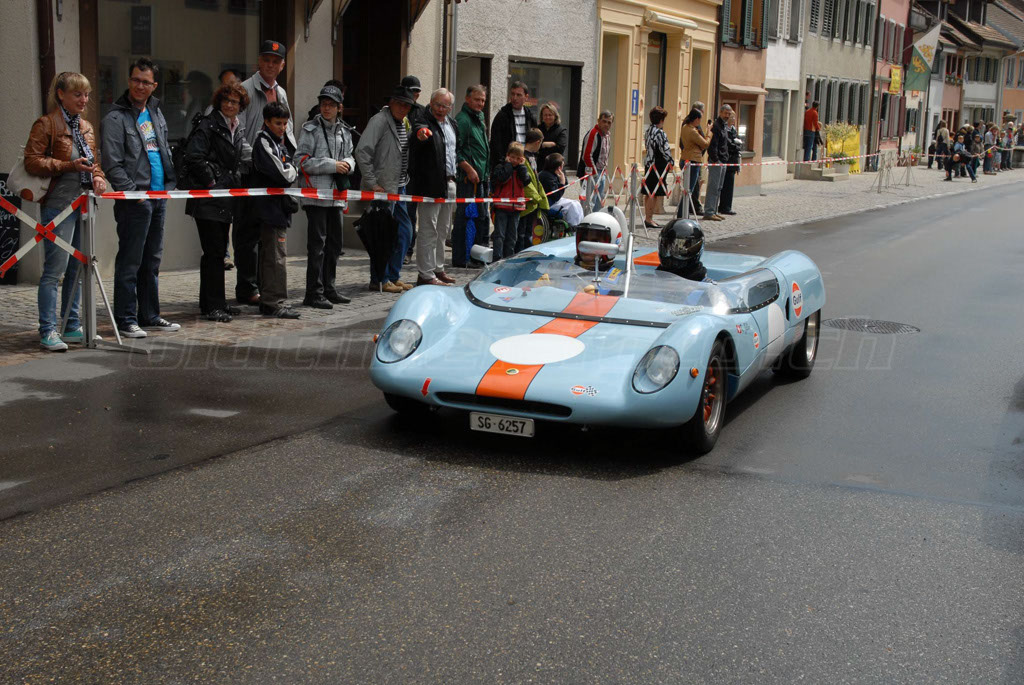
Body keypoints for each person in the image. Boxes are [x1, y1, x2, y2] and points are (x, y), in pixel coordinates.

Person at [23, 71, 107, 351]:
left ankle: (71, 326)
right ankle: (47, 330)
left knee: (79, 267)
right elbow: (32, 161)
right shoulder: (46, 124)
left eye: (87, 94)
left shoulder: (86, 126)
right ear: (61, 95)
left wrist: (99, 177)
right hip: (58, 205)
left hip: (84, 204)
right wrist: (68, 166)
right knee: (54, 270)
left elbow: (94, 163)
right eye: (77, 94)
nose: (84, 100)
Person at [101, 57, 179, 339]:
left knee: (152, 261)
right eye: (136, 80)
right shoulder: (115, 118)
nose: (140, 86)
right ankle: (126, 319)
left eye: (146, 82)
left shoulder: (156, 113)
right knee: (130, 261)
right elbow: (112, 164)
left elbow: (163, 150)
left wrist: (168, 184)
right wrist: (134, 195)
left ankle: (150, 315)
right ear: (128, 80)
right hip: (135, 199)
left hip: (158, 197)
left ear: (154, 85)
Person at [182, 82, 251, 322]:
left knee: (219, 251)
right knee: (213, 252)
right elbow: (194, 157)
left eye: (235, 102)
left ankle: (216, 303)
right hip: (208, 199)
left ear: (241, 106)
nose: (230, 105)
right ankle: (212, 306)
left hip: (225, 198)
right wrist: (213, 182)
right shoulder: (208, 124)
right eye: (227, 100)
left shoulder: (236, 127)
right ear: (219, 101)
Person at [236, 40, 294, 307]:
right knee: (247, 236)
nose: (271, 65)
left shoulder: (280, 92)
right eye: (266, 60)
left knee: (268, 237)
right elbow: (239, 133)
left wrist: (289, 161)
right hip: (250, 172)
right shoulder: (246, 89)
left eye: (276, 61)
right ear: (259, 61)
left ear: (282, 65)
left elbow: (288, 131)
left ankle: (264, 288)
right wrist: (258, 159)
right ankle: (247, 287)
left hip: (272, 174)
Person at [296, 84, 356, 308]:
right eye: (323, 104)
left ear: (339, 107)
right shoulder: (310, 129)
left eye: (331, 104)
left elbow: (351, 157)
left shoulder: (345, 131)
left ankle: (329, 288)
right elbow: (301, 161)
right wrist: (332, 165)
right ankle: (313, 292)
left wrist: (347, 165)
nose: (326, 108)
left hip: (337, 196)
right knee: (317, 246)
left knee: (335, 245)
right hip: (316, 196)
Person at [355, 85, 416, 293]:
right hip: (383, 188)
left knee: (405, 232)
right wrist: (372, 183)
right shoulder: (379, 121)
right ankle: (379, 279)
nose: (403, 108)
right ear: (391, 102)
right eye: (400, 104)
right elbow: (362, 152)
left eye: (407, 105)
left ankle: (393, 275)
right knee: (382, 235)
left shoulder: (404, 123)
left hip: (400, 186)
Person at [250, 101, 299, 317]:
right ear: (267, 122)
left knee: (275, 256)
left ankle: (271, 300)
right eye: (278, 123)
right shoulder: (264, 142)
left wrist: (291, 168)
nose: (282, 128)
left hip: (278, 209)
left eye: (285, 123)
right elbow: (283, 174)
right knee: (275, 258)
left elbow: (290, 166)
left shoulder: (278, 143)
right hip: (269, 210)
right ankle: (274, 302)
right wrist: (292, 169)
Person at [409, 88, 459, 287]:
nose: (440, 109)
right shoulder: (423, 120)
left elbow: (455, 151)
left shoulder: (452, 124)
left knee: (443, 230)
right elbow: (418, 134)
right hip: (429, 184)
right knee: (428, 230)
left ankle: (438, 268)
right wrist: (421, 135)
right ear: (430, 103)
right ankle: (425, 273)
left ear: (450, 108)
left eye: (445, 106)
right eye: (437, 105)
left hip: (450, 182)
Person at [453, 84, 490, 269]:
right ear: (467, 99)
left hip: (481, 178)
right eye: (477, 99)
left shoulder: (479, 118)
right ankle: (462, 258)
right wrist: (468, 169)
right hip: (468, 180)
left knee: (481, 219)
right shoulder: (463, 120)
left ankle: (477, 257)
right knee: (464, 219)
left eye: (483, 100)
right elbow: (455, 150)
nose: (480, 103)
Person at [490, 142, 530, 259]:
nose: (514, 161)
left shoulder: (522, 170)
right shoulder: (500, 167)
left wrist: (522, 167)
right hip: (501, 207)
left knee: (512, 236)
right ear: (508, 156)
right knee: (499, 235)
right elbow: (501, 179)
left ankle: (508, 258)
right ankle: (497, 258)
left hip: (516, 207)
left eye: (518, 158)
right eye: (512, 157)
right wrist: (508, 165)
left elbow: (526, 181)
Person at [490, 81, 537, 172]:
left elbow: (534, 141)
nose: (515, 98)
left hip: (525, 163)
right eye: (512, 94)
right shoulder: (502, 116)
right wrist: (503, 163)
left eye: (518, 95)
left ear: (526, 97)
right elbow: (496, 143)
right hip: (507, 164)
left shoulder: (530, 116)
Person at [517, 129, 550, 251]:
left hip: (532, 201)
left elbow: (535, 178)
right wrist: (537, 197)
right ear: (538, 142)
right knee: (523, 233)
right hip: (527, 201)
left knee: (528, 232)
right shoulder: (524, 157)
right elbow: (527, 182)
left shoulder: (532, 156)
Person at [642, 106, 672, 228]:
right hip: (658, 165)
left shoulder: (648, 131)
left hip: (649, 163)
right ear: (661, 120)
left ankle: (647, 217)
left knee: (648, 192)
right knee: (653, 193)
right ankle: (649, 219)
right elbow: (665, 150)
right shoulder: (660, 133)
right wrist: (671, 161)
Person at [578, 110, 614, 213]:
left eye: (609, 122)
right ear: (598, 121)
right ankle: (586, 221)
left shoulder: (607, 135)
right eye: (604, 121)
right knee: (589, 202)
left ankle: (596, 220)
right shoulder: (593, 133)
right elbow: (586, 156)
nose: (606, 124)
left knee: (599, 202)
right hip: (591, 173)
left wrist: (604, 171)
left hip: (602, 172)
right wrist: (594, 174)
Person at [677, 108, 710, 218]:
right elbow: (705, 144)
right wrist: (709, 133)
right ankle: (682, 214)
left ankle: (683, 213)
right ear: (696, 119)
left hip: (685, 158)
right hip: (693, 160)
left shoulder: (685, 127)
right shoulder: (692, 131)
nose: (700, 122)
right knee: (689, 189)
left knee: (687, 188)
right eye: (700, 120)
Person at [702, 104, 732, 222]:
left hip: (723, 160)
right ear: (720, 112)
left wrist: (725, 157)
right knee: (713, 187)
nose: (727, 116)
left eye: (729, 114)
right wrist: (715, 159)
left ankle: (714, 211)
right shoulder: (716, 126)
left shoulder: (724, 126)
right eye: (725, 113)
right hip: (716, 161)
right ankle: (709, 212)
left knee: (719, 188)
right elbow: (712, 145)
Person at [539, 153, 584, 227]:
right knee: (572, 206)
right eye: (562, 166)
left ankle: (579, 226)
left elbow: (565, 184)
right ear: (558, 167)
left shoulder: (553, 173)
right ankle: (573, 227)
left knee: (577, 203)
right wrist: (562, 183)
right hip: (548, 203)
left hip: (552, 200)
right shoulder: (547, 176)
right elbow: (556, 196)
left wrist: (562, 179)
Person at [718, 112, 742, 216]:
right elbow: (728, 144)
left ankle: (727, 206)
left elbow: (738, 142)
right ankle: (724, 207)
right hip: (728, 160)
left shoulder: (733, 130)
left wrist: (737, 145)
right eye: (732, 117)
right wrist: (736, 146)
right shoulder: (725, 129)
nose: (733, 119)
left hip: (733, 161)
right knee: (725, 186)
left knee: (729, 185)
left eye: (734, 117)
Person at [537, 102, 568, 172]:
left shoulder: (561, 130)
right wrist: (546, 144)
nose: (547, 117)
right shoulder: (538, 129)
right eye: (545, 115)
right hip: (540, 166)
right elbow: (533, 146)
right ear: (542, 116)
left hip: (556, 168)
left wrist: (541, 146)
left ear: (555, 116)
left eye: (550, 115)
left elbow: (560, 149)